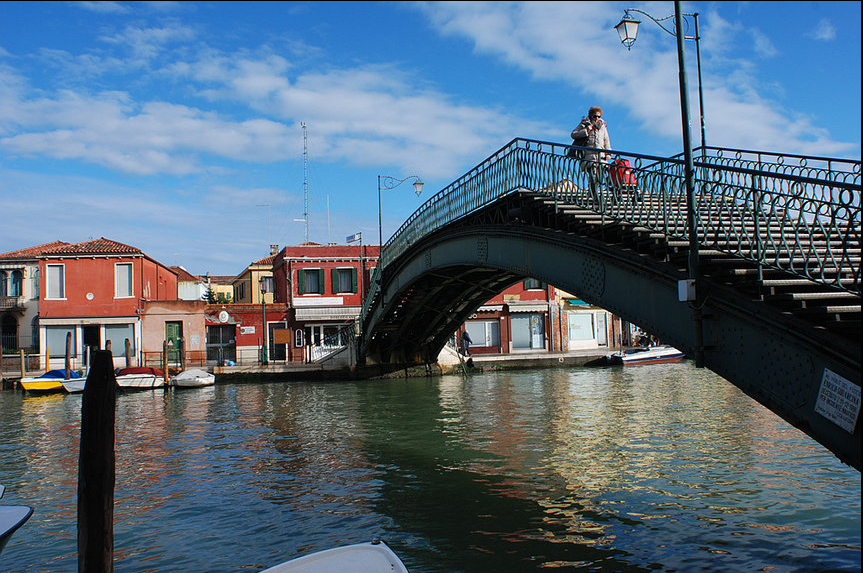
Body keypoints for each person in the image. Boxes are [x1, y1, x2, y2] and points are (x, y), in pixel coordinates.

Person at [571, 106, 612, 203]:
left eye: (599, 116)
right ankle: (596, 198)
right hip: (589, 155)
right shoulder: (585, 124)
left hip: (601, 156)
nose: (597, 118)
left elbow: (606, 139)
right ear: (591, 115)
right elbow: (573, 134)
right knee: (593, 176)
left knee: (599, 177)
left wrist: (608, 152)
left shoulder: (602, 125)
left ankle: (591, 192)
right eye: (595, 116)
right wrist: (586, 131)